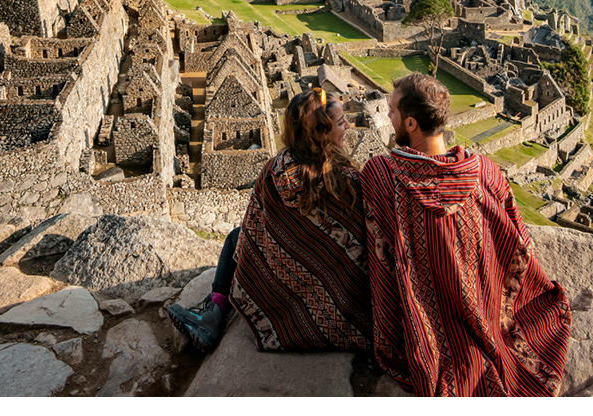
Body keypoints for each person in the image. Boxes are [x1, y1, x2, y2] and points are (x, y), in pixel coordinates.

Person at [360, 72, 572, 398]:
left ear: (412, 124)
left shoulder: (382, 175)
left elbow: (381, 254)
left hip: (431, 337)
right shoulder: (485, 172)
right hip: (493, 314)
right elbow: (517, 241)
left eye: (393, 111)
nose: (387, 116)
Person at [168, 87, 373, 353]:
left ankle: (215, 311)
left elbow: (255, 225)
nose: (347, 125)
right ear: (321, 132)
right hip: (347, 303)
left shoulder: (276, 170)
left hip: (282, 291)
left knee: (236, 237)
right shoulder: (347, 181)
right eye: (340, 122)